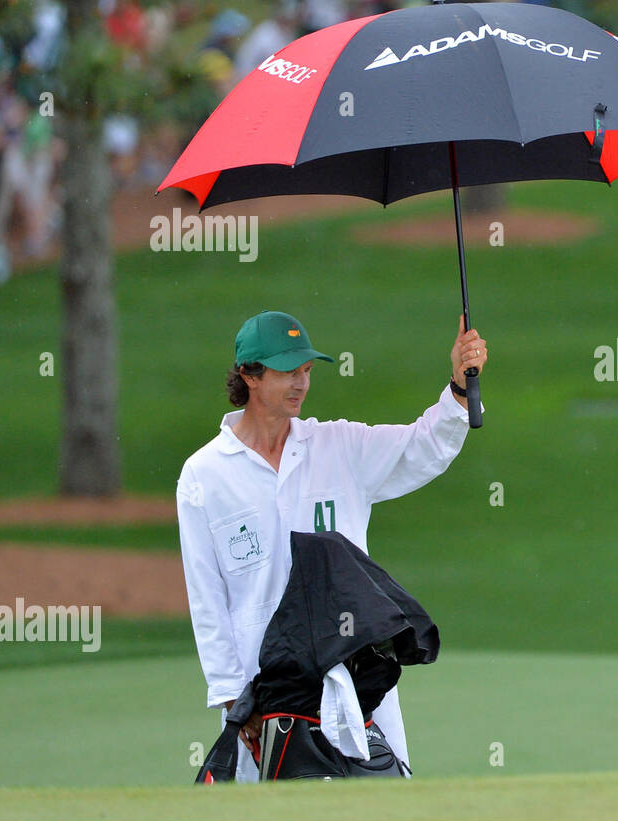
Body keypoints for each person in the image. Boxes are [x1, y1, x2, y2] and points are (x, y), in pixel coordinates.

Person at [177, 310, 487, 781]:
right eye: (287, 372)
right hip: (263, 682)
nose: (301, 383)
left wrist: (460, 387)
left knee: (384, 802)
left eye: (306, 371)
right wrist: (230, 693)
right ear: (249, 375)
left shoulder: (339, 445)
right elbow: (206, 598)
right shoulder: (204, 475)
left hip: (354, 670)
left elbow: (423, 447)